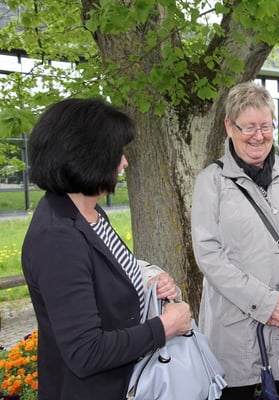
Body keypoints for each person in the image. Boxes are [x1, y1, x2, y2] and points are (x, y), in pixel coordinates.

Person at [21, 98, 192, 400]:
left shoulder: (89, 213)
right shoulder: (58, 238)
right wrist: (164, 326)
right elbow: (86, 352)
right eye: (118, 153)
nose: (124, 162)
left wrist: (145, 287)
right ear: (88, 155)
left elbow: (99, 285)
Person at [191, 81, 279, 400]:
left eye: (265, 126)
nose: (258, 135)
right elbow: (208, 254)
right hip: (235, 336)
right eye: (249, 127)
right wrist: (266, 304)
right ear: (229, 127)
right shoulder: (211, 182)